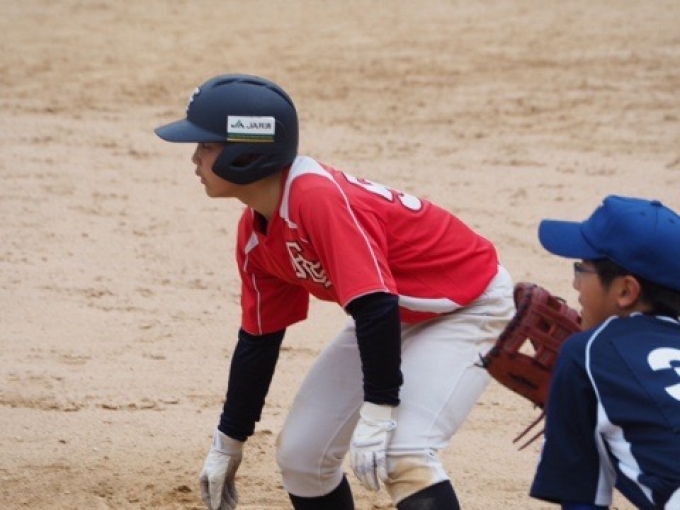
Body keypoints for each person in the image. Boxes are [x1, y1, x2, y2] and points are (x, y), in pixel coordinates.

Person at [154, 73, 515, 510]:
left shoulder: (315, 197)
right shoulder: (254, 232)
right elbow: (259, 340)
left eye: (207, 146)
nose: (195, 158)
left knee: (404, 454)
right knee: (302, 457)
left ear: (247, 152)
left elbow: (374, 305)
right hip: (394, 314)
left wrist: (380, 410)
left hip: (469, 305)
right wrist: (228, 440)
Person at [530, 195, 680, 510]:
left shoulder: (586, 352)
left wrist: (575, 405)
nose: (575, 284)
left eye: (582, 269)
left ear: (625, 291)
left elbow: (582, 502)